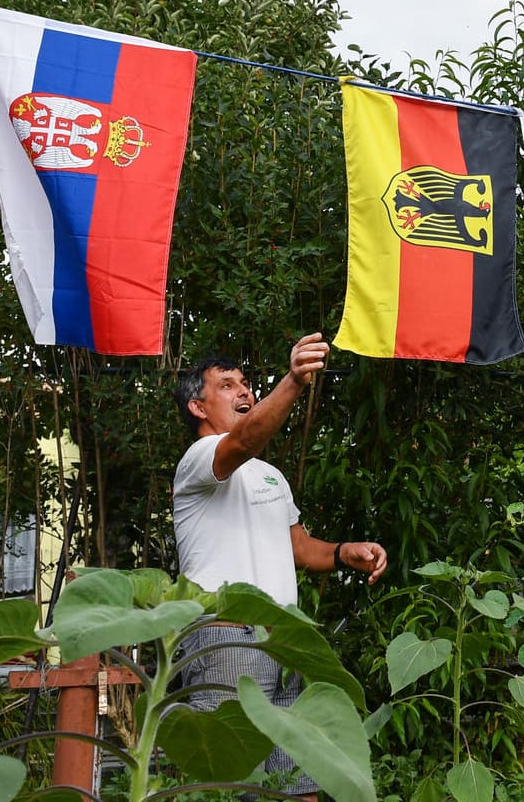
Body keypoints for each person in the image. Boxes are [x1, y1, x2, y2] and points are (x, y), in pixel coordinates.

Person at [171, 334, 387, 798]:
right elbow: (244, 441)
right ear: (198, 407)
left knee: (300, 784)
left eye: (246, 383)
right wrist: (293, 380)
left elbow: (298, 548)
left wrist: (344, 551)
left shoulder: (271, 476)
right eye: (227, 385)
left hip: (284, 640)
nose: (244, 391)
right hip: (225, 638)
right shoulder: (198, 460)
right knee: (232, 784)